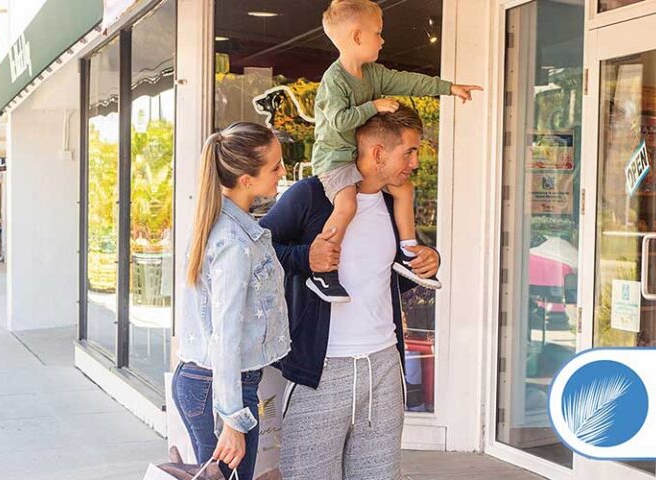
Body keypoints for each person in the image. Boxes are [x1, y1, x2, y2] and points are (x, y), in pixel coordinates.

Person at [260, 105, 441, 480]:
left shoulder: (394, 204)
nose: (415, 161)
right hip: (320, 370)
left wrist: (428, 260)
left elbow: (388, 275)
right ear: (377, 153)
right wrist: (304, 258)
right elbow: (255, 254)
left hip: (384, 365)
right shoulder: (310, 196)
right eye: (408, 151)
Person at [307, 0, 480, 302]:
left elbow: (406, 81)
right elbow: (337, 121)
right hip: (334, 159)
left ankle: (407, 252)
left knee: (404, 189)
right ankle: (323, 273)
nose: (383, 40)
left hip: (354, 159)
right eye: (378, 33)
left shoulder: (372, 74)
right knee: (346, 205)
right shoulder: (334, 80)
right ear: (357, 37)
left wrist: (449, 87)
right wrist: (373, 106)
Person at [173, 122, 291, 479]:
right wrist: (231, 419)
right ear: (246, 180)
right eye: (275, 167)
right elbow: (224, 336)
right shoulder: (234, 243)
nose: (283, 172)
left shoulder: (224, 225)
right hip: (219, 387)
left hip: (215, 383)